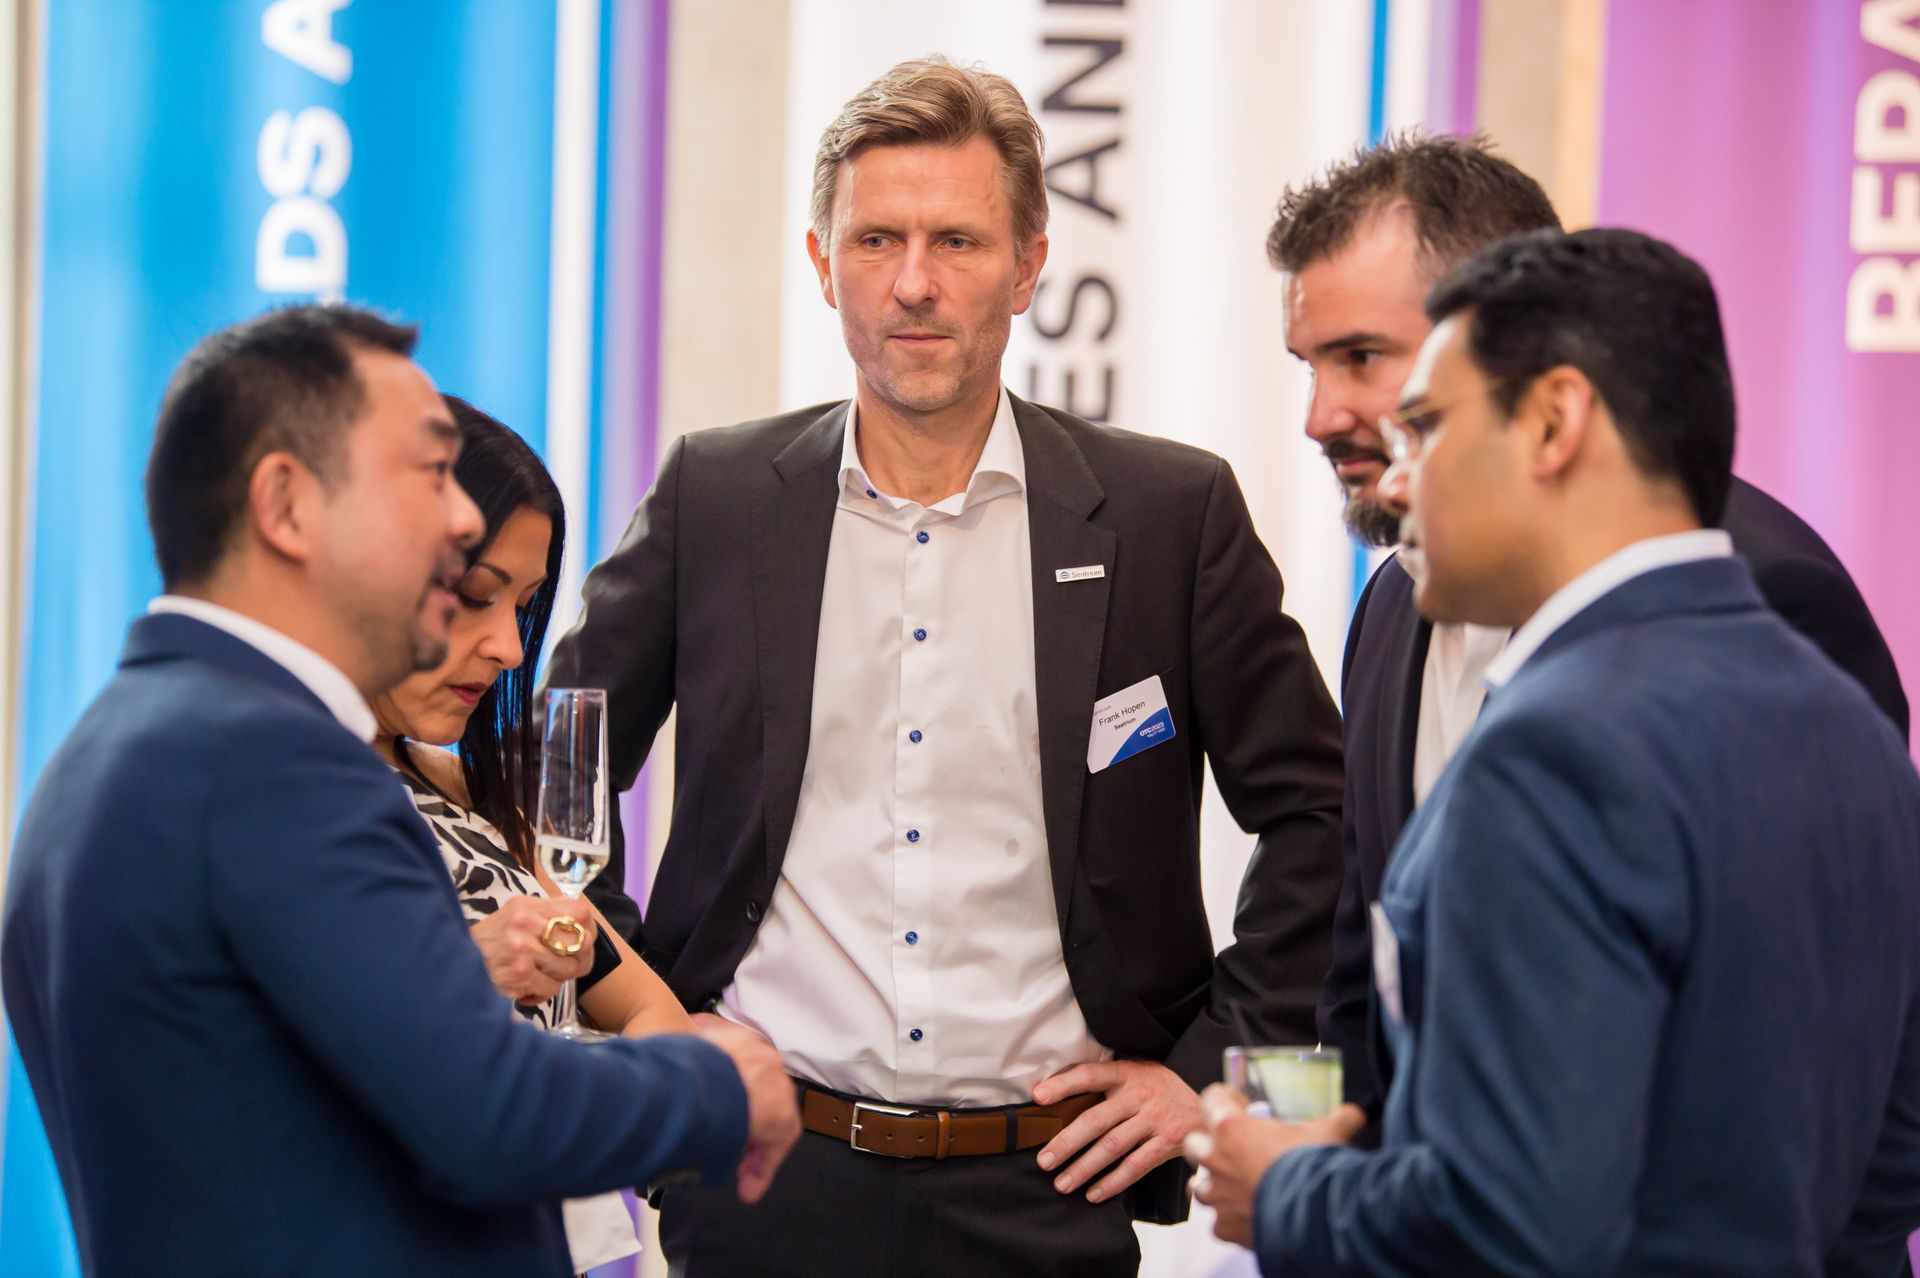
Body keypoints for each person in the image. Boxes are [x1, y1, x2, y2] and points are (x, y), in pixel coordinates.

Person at [545, 57, 1345, 1275]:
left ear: (1027, 266)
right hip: (763, 1177)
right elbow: (557, 758)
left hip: (1048, 1188)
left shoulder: (1166, 514)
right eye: (876, 240)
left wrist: (1206, 1070)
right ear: (822, 263)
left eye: (958, 242)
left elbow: (1320, 813)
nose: (913, 284)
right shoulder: (718, 495)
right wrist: (647, 1020)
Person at [1, 305, 799, 1277]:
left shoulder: (126, 740)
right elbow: (489, 1110)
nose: (459, 517)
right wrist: (717, 1083)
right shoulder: (272, 763)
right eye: (427, 473)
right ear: (286, 505)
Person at [1189, 227, 1920, 1275]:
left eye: (1429, 425)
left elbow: (1511, 1222)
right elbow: (1893, 1149)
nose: (1400, 478)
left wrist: (1285, 1190)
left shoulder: (1553, 748)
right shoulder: (1843, 724)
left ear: (1552, 423)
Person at [1269, 133, 1910, 1121]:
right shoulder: (1392, 602)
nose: (1321, 415)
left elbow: (1833, 1040)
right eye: (1309, 365)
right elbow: (1368, 975)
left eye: (1362, 358)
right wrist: (1319, 1171)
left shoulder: (1765, 592)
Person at [371, 396, 697, 1274]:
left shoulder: (462, 788)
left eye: (522, 607)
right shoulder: (279, 790)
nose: (510, 648)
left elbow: (647, 1009)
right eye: (476, 598)